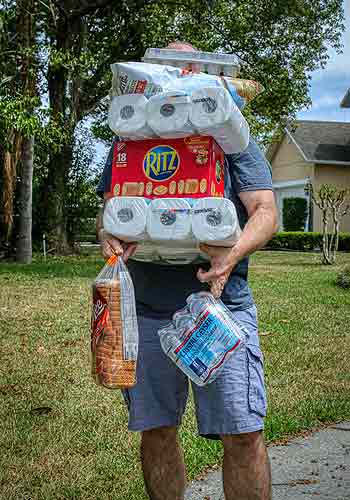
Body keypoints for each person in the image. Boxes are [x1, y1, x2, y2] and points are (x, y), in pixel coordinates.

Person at [96, 41, 278, 500]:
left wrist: (231, 253)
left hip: (220, 310)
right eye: (164, 71)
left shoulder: (228, 132)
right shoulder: (131, 139)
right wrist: (108, 236)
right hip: (150, 311)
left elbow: (265, 211)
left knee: (242, 432)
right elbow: (110, 213)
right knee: (156, 431)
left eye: (185, 70)